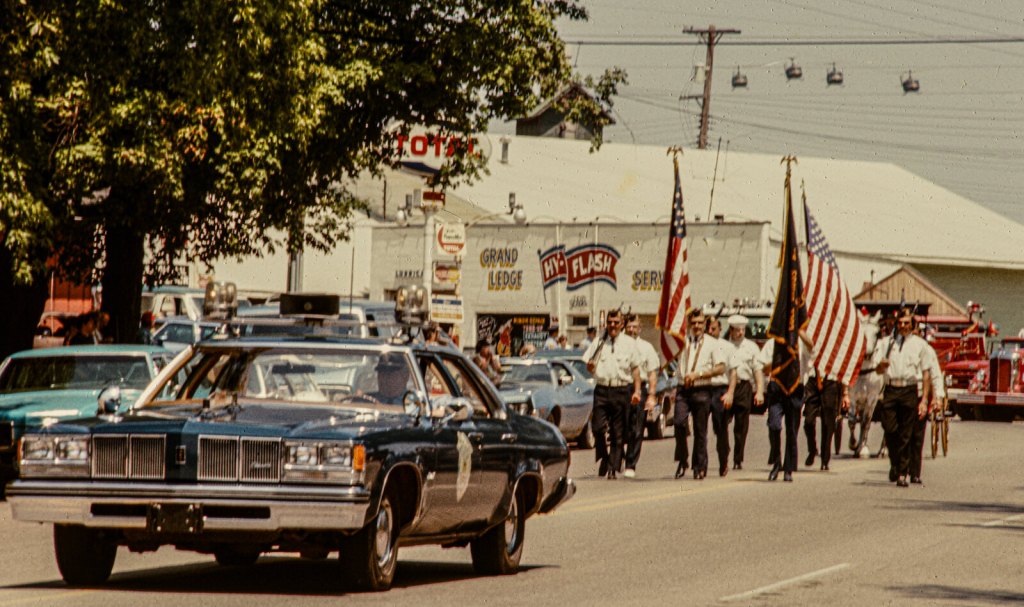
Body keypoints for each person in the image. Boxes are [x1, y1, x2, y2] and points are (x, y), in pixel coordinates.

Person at [872, 308, 931, 488]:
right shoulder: (886, 343)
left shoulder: (920, 345)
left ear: (912, 325)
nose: (903, 326)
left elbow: (926, 374)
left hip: (909, 390)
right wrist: (881, 366)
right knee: (890, 429)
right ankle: (895, 463)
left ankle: (902, 473)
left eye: (906, 323)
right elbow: (878, 370)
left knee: (906, 433)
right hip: (891, 389)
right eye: (900, 323)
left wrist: (925, 400)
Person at [584, 309, 642, 480]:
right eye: (610, 322)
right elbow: (589, 365)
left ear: (622, 324)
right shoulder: (599, 342)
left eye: (616, 322)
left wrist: (637, 391)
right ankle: (604, 455)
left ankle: (612, 467)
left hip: (621, 389)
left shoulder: (629, 344)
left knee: (618, 432)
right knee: (597, 428)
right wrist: (590, 367)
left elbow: (636, 370)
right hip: (602, 389)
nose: (612, 326)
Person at [673, 307, 728, 480]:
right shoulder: (682, 341)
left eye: (700, 323)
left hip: (702, 388)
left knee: (700, 430)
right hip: (683, 388)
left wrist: (699, 374)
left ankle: (700, 466)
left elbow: (721, 367)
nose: (697, 326)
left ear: (705, 324)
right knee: (679, 422)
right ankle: (683, 458)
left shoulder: (712, 343)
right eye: (694, 323)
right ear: (688, 323)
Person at [760, 337, 809, 482]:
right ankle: (776, 463)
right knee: (774, 425)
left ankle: (788, 468)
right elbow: (764, 368)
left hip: (795, 388)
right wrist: (779, 361)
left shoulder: (802, 344)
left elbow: (813, 349)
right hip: (777, 387)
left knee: (792, 429)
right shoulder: (773, 343)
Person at [720, 315, 764, 471]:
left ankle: (738, 458)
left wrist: (759, 391)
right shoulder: (723, 345)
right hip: (726, 387)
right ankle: (723, 452)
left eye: (743, 330)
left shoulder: (751, 347)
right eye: (737, 330)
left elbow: (757, 370)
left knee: (741, 426)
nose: (740, 333)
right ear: (730, 330)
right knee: (721, 423)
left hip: (744, 387)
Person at [623, 313, 660, 478]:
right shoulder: (618, 345)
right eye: (629, 326)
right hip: (622, 388)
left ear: (640, 328)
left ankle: (630, 463)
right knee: (621, 427)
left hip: (640, 389)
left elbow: (652, 373)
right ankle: (614, 460)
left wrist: (652, 395)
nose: (631, 330)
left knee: (637, 428)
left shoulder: (647, 348)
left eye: (634, 327)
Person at [909, 327, 944, 484]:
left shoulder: (928, 350)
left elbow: (935, 374)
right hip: (902, 391)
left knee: (917, 435)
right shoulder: (901, 347)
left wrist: (938, 396)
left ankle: (915, 471)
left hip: (920, 393)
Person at [705, 315, 734, 477]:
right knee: (701, 427)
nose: (710, 331)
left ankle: (724, 459)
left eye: (713, 328)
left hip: (720, 389)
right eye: (708, 328)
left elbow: (734, 372)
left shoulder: (727, 347)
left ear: (720, 329)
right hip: (703, 388)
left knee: (720, 428)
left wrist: (730, 393)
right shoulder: (701, 344)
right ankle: (701, 465)